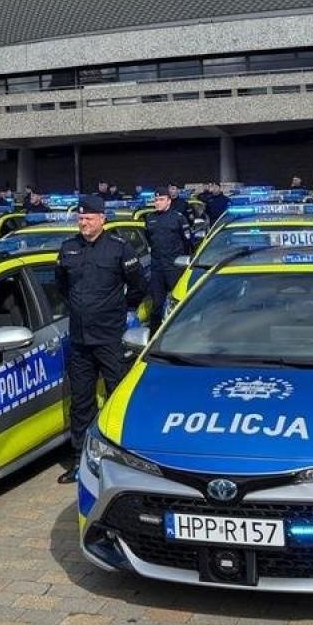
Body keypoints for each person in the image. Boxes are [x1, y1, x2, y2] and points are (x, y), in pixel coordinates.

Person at [54, 195, 145, 483]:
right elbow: (61, 286)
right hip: (80, 340)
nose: (84, 222)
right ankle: (80, 461)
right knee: (81, 403)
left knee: (117, 396)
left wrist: (116, 311)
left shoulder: (118, 248)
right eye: (80, 218)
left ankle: (124, 459)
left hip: (110, 338)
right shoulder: (68, 248)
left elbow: (138, 286)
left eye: (89, 218)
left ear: (102, 220)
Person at [141, 191, 193, 332]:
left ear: (169, 201)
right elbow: (148, 240)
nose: (158, 202)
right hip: (157, 268)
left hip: (174, 267)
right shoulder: (150, 218)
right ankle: (154, 336)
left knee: (178, 303)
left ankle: (181, 332)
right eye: (156, 200)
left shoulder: (178, 218)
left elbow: (188, 241)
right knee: (157, 305)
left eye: (161, 199)